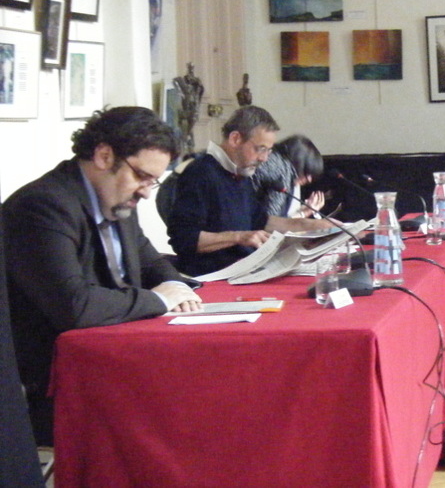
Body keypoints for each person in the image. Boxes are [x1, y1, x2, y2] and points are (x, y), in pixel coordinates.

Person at [3, 107, 202, 445]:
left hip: (109, 358)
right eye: (142, 176)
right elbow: (75, 306)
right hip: (55, 380)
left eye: (153, 181)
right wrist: (159, 299)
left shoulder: (116, 199)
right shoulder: (42, 206)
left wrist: (175, 284)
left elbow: (151, 260)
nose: (146, 191)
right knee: (182, 413)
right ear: (104, 155)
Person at [167, 106, 332, 276]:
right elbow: (184, 239)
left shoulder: (241, 174)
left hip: (244, 270)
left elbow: (261, 221)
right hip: (213, 276)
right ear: (235, 139)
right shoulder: (200, 173)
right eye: (260, 149)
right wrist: (238, 237)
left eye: (269, 150)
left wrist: (310, 225)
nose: (264, 158)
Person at [253, 134, 326, 218]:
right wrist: (304, 213)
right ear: (298, 161)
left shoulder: (275, 158)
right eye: (307, 171)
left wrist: (302, 211)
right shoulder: (282, 170)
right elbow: (272, 223)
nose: (309, 180)